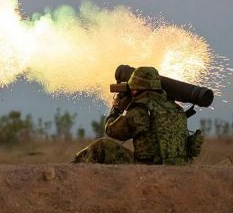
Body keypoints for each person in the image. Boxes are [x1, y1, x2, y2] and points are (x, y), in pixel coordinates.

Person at [73, 67, 201, 165]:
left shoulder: (141, 110)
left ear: (136, 88)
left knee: (101, 146)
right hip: (179, 166)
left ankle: (73, 173)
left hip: (150, 167)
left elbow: (112, 131)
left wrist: (116, 109)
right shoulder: (174, 107)